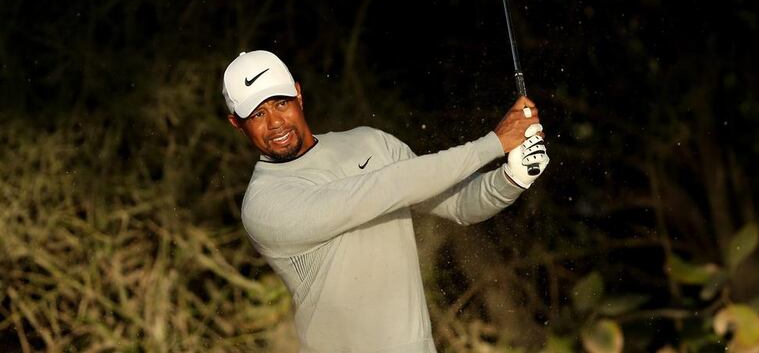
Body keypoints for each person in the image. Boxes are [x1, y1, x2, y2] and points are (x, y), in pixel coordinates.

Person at [223, 50, 550, 353]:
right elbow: (383, 189)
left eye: (280, 103)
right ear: (236, 123)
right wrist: (493, 143)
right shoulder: (264, 207)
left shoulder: (371, 142)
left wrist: (512, 177)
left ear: (298, 93)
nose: (275, 122)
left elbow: (459, 204)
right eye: (257, 114)